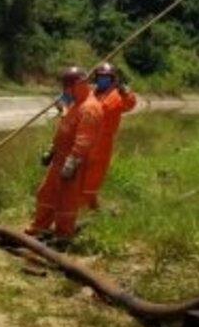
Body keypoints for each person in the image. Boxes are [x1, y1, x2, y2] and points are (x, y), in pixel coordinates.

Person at [26, 66, 104, 242]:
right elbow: (64, 128)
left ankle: (63, 234)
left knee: (66, 200)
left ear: (77, 85)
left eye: (66, 87)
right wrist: (52, 148)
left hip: (74, 162)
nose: (64, 91)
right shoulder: (75, 104)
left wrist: (72, 160)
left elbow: (84, 139)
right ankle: (40, 226)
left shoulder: (89, 108)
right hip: (60, 158)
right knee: (46, 193)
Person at [82, 61, 137, 209]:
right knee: (81, 172)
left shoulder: (115, 97)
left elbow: (129, 105)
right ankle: (87, 203)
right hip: (85, 139)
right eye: (100, 76)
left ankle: (87, 205)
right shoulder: (92, 92)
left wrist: (126, 92)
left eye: (106, 77)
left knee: (94, 175)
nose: (102, 79)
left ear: (113, 80)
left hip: (102, 142)